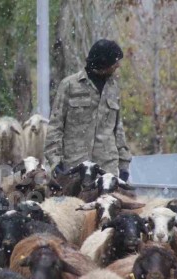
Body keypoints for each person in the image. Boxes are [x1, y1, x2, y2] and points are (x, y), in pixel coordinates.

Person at [44, 39, 132, 181]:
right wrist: (55, 162)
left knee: (109, 204)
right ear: (104, 63)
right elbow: (55, 126)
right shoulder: (69, 85)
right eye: (115, 61)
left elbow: (118, 129)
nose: (118, 65)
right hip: (74, 168)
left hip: (107, 171)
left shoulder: (113, 88)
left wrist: (124, 166)